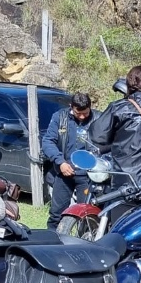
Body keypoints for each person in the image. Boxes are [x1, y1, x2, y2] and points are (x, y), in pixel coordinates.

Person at [41, 91, 97, 230]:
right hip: (64, 172)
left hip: (89, 176)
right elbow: (48, 141)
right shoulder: (60, 117)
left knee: (88, 215)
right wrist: (60, 162)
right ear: (71, 106)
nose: (82, 116)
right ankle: (52, 239)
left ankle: (85, 240)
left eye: (86, 113)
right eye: (79, 113)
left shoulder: (98, 119)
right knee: (56, 214)